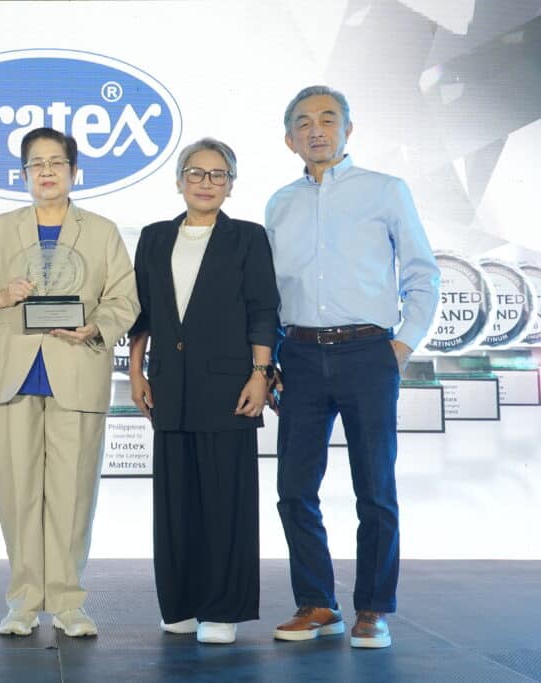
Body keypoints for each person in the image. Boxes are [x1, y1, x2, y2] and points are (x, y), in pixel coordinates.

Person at [266, 86, 440, 648]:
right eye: (303, 122)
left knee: (375, 488)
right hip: (298, 356)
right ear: (289, 139)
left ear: (348, 129)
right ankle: (318, 602)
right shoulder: (279, 204)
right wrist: (271, 356)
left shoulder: (386, 190)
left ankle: (373, 608)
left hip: (368, 353)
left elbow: (422, 272)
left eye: (328, 119)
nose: (316, 130)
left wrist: (402, 345)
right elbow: (271, 292)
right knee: (294, 489)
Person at [0, 127, 139, 638]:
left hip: (76, 368)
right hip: (12, 375)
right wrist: (0, 295)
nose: (46, 172)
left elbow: (124, 299)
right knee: (16, 494)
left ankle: (68, 602)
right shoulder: (1, 229)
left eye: (56, 163)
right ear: (22, 174)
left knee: (72, 495)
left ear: (74, 171)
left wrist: (96, 326)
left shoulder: (102, 231)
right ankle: (22, 601)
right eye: (35, 164)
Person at [128, 138, 279, 645]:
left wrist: (260, 373)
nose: (206, 182)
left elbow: (263, 310)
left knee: (226, 501)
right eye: (196, 172)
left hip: (229, 387)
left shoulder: (248, 238)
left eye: (218, 175)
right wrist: (136, 372)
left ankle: (222, 608)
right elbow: (142, 314)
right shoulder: (153, 237)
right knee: (175, 502)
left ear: (231, 185)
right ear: (179, 181)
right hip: (169, 385)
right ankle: (180, 602)